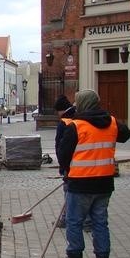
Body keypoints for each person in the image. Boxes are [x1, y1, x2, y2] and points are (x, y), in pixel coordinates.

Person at [57, 89, 130, 258]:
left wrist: (66, 172)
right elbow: (125, 135)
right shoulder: (112, 123)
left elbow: (63, 155)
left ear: (81, 104)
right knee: (100, 223)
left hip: (80, 184)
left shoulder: (76, 126)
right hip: (104, 184)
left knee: (74, 223)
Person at [53, 95, 75, 229]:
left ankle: (66, 219)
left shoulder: (64, 122)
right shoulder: (79, 117)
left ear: (61, 110)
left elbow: (61, 148)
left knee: (69, 192)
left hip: (72, 165)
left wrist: (63, 167)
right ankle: (88, 222)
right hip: (84, 165)